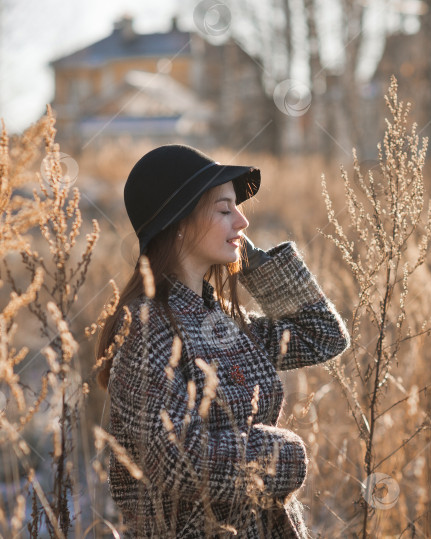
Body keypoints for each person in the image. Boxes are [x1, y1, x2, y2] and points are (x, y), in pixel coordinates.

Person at [95, 144, 350, 537]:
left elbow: (323, 335)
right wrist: (283, 456)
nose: (243, 220)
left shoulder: (224, 322)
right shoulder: (146, 330)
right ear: (179, 220)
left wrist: (249, 259)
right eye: (225, 208)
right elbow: (178, 460)